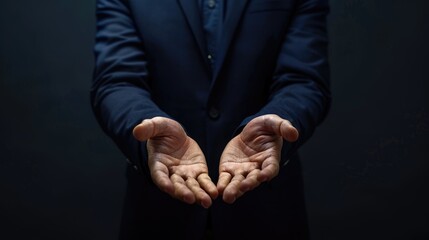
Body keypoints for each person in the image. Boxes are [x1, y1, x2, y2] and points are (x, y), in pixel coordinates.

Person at [90, 0, 331, 239]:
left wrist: (279, 119)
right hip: (160, 213)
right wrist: (147, 124)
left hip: (266, 211)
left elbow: (304, 80)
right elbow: (116, 81)